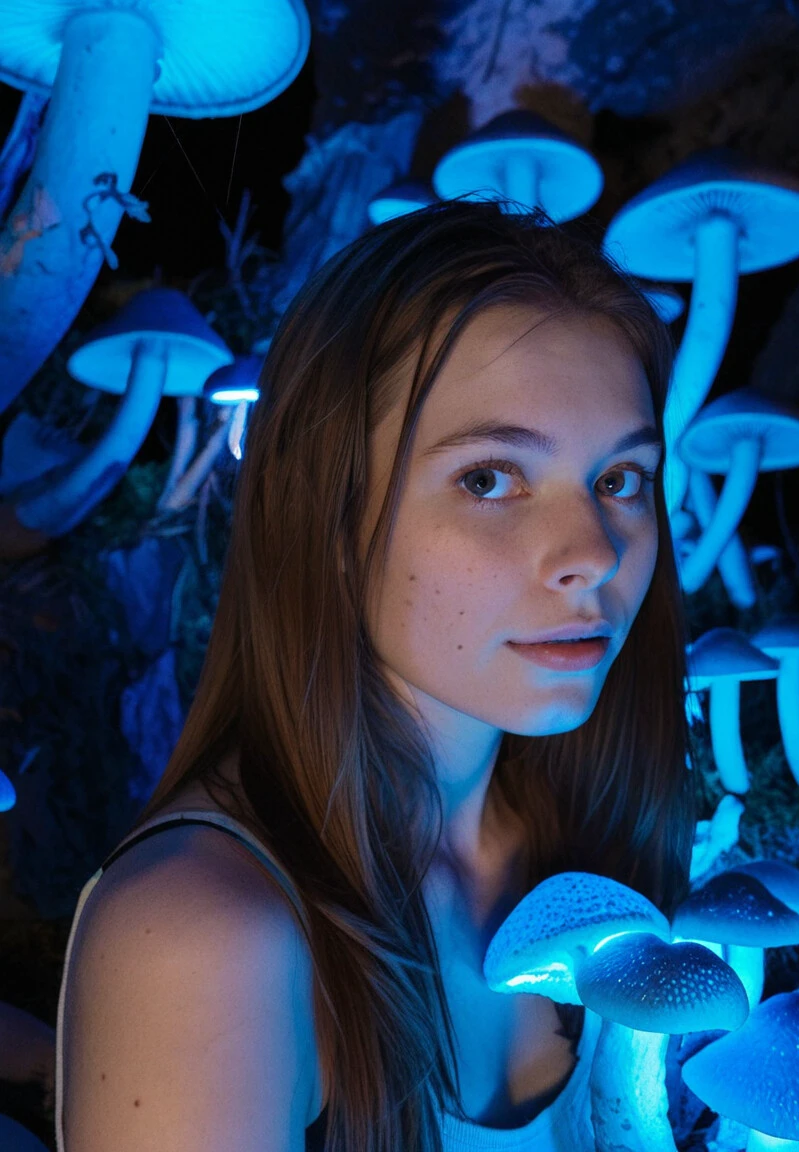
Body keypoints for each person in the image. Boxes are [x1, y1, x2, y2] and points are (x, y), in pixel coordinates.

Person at [55, 198, 695, 1152]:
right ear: (329, 510)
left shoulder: (586, 853)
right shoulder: (201, 938)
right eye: (490, 478)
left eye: (619, 481)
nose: (593, 553)